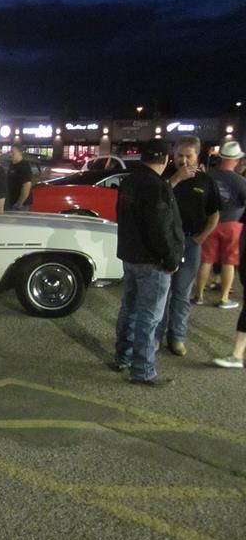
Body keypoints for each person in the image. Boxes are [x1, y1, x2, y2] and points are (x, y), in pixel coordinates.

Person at [113, 138, 184, 387]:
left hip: (130, 255)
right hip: (152, 261)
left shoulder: (129, 181)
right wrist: (171, 258)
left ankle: (122, 356)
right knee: (149, 316)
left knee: (129, 309)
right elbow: (161, 227)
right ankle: (142, 371)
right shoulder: (157, 186)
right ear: (165, 159)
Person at [155, 136, 220, 356]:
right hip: (165, 243)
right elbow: (156, 204)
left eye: (188, 156)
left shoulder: (206, 181)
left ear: (197, 156)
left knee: (182, 293)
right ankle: (156, 336)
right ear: (172, 156)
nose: (183, 161)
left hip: (191, 243)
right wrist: (175, 179)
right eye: (179, 156)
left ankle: (177, 338)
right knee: (162, 293)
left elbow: (214, 214)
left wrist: (201, 238)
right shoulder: (164, 177)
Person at [193, 140, 246, 309]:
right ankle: (224, 298)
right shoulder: (240, 181)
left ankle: (198, 296)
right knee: (229, 262)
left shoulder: (208, 175)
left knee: (206, 260)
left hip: (210, 223)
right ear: (236, 160)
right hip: (232, 225)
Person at [7, 144, 32, 210]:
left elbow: (27, 185)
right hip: (12, 203)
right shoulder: (12, 165)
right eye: (10, 152)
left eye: (13, 152)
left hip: (21, 206)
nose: (10, 154)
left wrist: (19, 203)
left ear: (20, 153)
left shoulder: (24, 166)